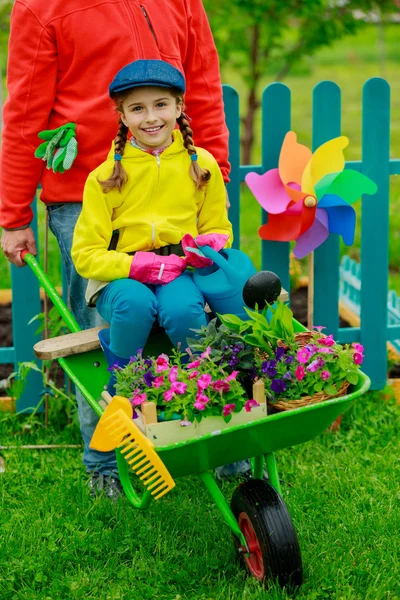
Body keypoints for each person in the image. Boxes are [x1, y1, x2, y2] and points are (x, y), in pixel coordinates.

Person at [0, 0, 231, 498]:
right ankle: (105, 463)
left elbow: (204, 83)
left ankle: (220, 441)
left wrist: (213, 173)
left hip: (174, 185)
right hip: (87, 195)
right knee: (107, 329)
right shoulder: (41, 6)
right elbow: (24, 108)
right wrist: (14, 213)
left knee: (195, 314)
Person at [72, 58, 232, 386]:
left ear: (178, 107)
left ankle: (201, 385)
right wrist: (137, 266)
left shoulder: (202, 165)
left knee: (185, 310)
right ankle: (126, 386)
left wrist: (210, 245)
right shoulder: (103, 178)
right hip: (119, 278)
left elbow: (219, 228)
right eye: (137, 109)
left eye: (160, 105)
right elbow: (86, 255)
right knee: (135, 302)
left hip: (178, 270)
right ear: (123, 115)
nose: (151, 118)